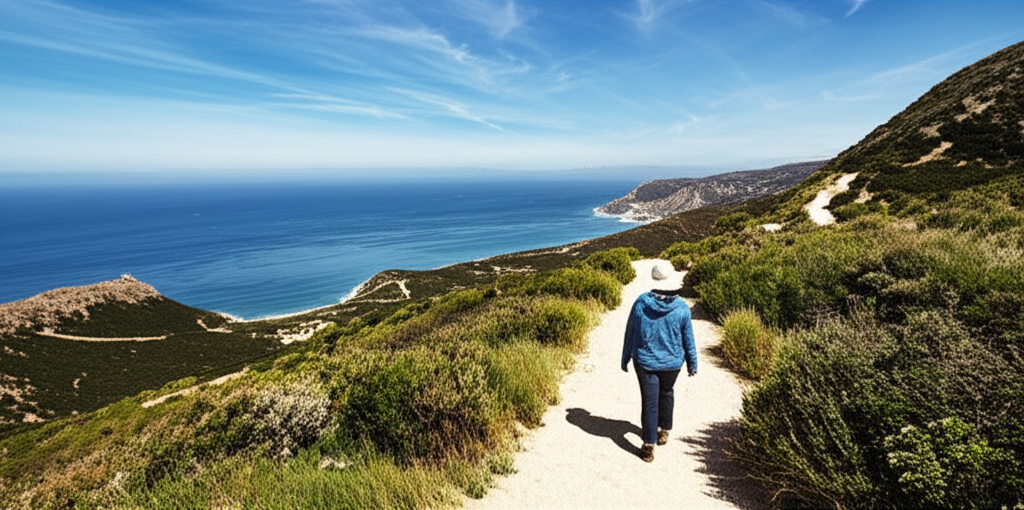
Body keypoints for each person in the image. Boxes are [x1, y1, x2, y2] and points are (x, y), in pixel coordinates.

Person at [621, 266, 698, 462]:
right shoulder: (681, 307)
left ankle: (648, 446)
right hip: (672, 363)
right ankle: (664, 431)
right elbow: (688, 338)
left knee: (649, 402)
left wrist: (625, 357)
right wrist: (692, 363)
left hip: (646, 362)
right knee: (667, 392)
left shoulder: (640, 304)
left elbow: (630, 331)